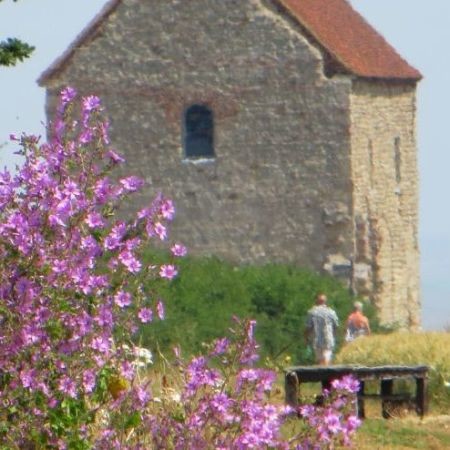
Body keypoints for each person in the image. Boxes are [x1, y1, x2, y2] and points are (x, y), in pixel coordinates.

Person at [305, 293, 339, 365]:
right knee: (327, 358)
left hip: (317, 340)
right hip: (328, 339)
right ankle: (327, 374)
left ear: (316, 301)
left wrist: (306, 338)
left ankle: (321, 374)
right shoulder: (331, 312)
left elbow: (308, 327)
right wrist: (334, 336)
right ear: (325, 301)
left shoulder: (312, 312)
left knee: (319, 360)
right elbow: (336, 326)